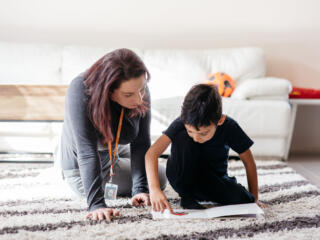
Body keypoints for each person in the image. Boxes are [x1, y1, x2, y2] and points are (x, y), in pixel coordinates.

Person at [55, 48, 167, 221]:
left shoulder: (138, 87)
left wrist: (140, 189)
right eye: (128, 94)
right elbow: (86, 152)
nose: (139, 100)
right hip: (81, 162)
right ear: (108, 90)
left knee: (151, 173)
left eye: (142, 89)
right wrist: (97, 205)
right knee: (160, 175)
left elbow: (141, 143)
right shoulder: (80, 89)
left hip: (112, 147)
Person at [145, 83, 267, 213]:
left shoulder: (229, 126)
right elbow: (151, 154)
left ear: (220, 121)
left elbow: (249, 162)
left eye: (203, 133)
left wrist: (254, 198)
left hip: (212, 180)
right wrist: (154, 190)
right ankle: (187, 197)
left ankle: (205, 193)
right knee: (182, 137)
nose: (196, 138)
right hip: (181, 177)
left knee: (244, 199)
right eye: (190, 131)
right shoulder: (181, 123)